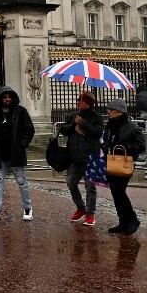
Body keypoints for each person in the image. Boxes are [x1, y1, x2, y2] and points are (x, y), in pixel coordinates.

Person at [0, 86, 35, 223]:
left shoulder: (21, 112)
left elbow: (29, 129)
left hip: (15, 154)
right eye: (4, 97)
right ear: (0, 99)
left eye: (9, 96)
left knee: (22, 183)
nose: (7, 99)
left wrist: (22, 144)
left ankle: (28, 208)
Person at [102, 98, 146, 235]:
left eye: (111, 110)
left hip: (125, 163)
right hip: (111, 161)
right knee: (116, 193)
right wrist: (105, 146)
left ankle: (132, 220)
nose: (109, 113)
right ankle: (123, 222)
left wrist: (124, 148)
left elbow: (141, 146)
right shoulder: (109, 126)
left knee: (119, 191)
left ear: (119, 112)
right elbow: (106, 141)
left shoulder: (132, 127)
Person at [60, 92, 103, 226]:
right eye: (78, 100)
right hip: (74, 157)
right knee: (71, 182)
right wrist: (73, 125)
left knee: (90, 187)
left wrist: (84, 123)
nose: (78, 102)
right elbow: (63, 129)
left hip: (90, 157)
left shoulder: (97, 117)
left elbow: (98, 133)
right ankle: (81, 207)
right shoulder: (73, 115)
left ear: (88, 103)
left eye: (81, 100)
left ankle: (90, 214)